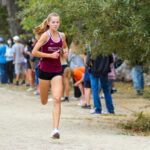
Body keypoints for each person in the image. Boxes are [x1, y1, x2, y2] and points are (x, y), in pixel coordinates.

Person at [32, 12, 68, 139]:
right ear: (48, 23)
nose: (55, 24)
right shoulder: (45, 36)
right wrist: (50, 56)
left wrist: (66, 51)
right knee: (44, 101)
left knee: (57, 99)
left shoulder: (62, 35)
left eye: (57, 22)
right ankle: (43, 96)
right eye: (53, 22)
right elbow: (34, 52)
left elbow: (64, 46)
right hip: (44, 71)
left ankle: (55, 130)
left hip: (57, 71)